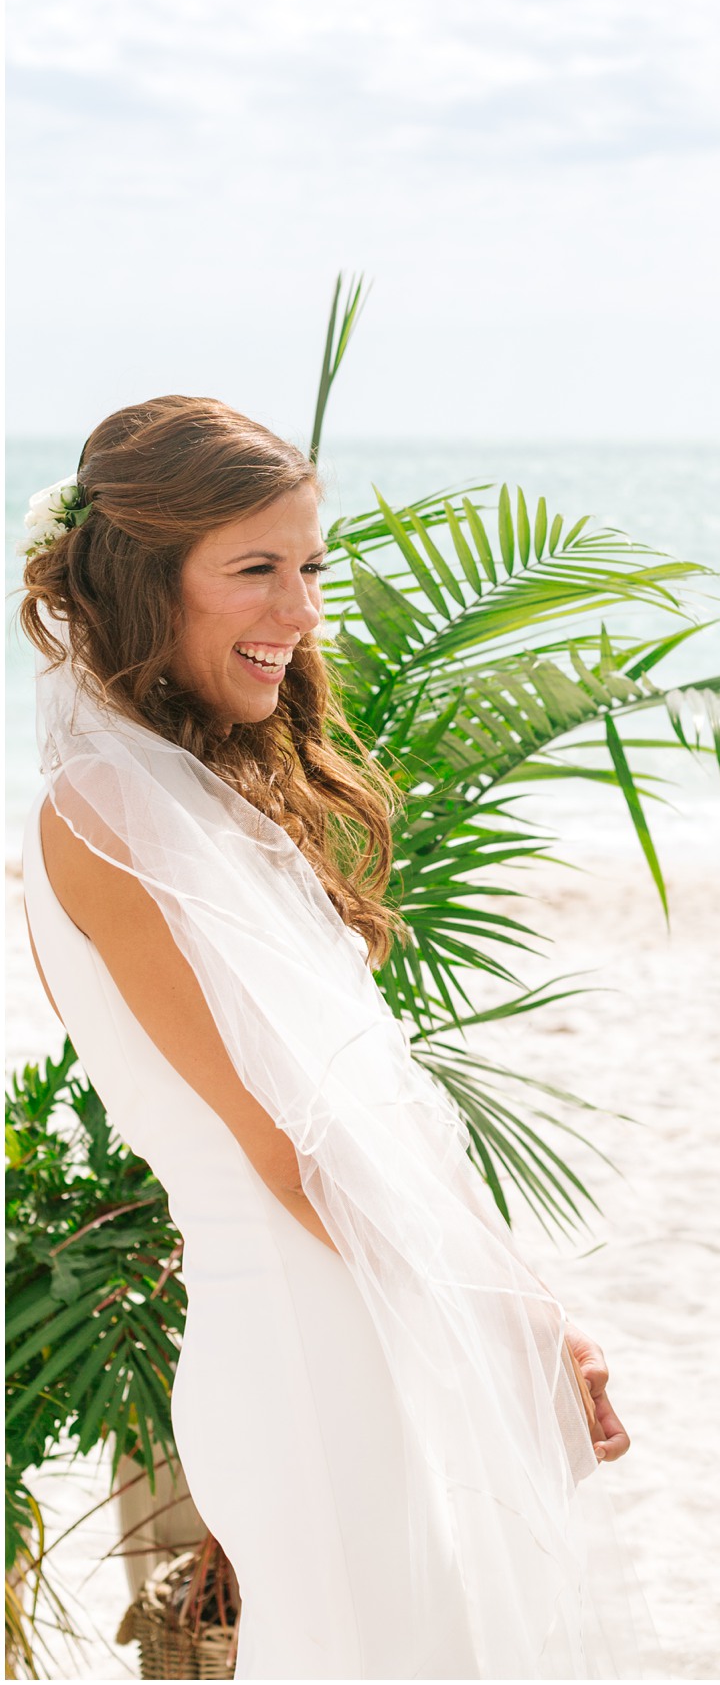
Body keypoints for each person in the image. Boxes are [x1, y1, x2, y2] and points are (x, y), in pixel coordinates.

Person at [20, 398, 639, 1680]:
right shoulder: (103, 810)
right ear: (142, 582)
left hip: (364, 1308)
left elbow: (360, 1117)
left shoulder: (184, 789)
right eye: (255, 569)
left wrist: (520, 1309)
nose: (300, 614)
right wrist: (517, 1326)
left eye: (310, 567)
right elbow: (292, 1147)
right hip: (309, 1353)